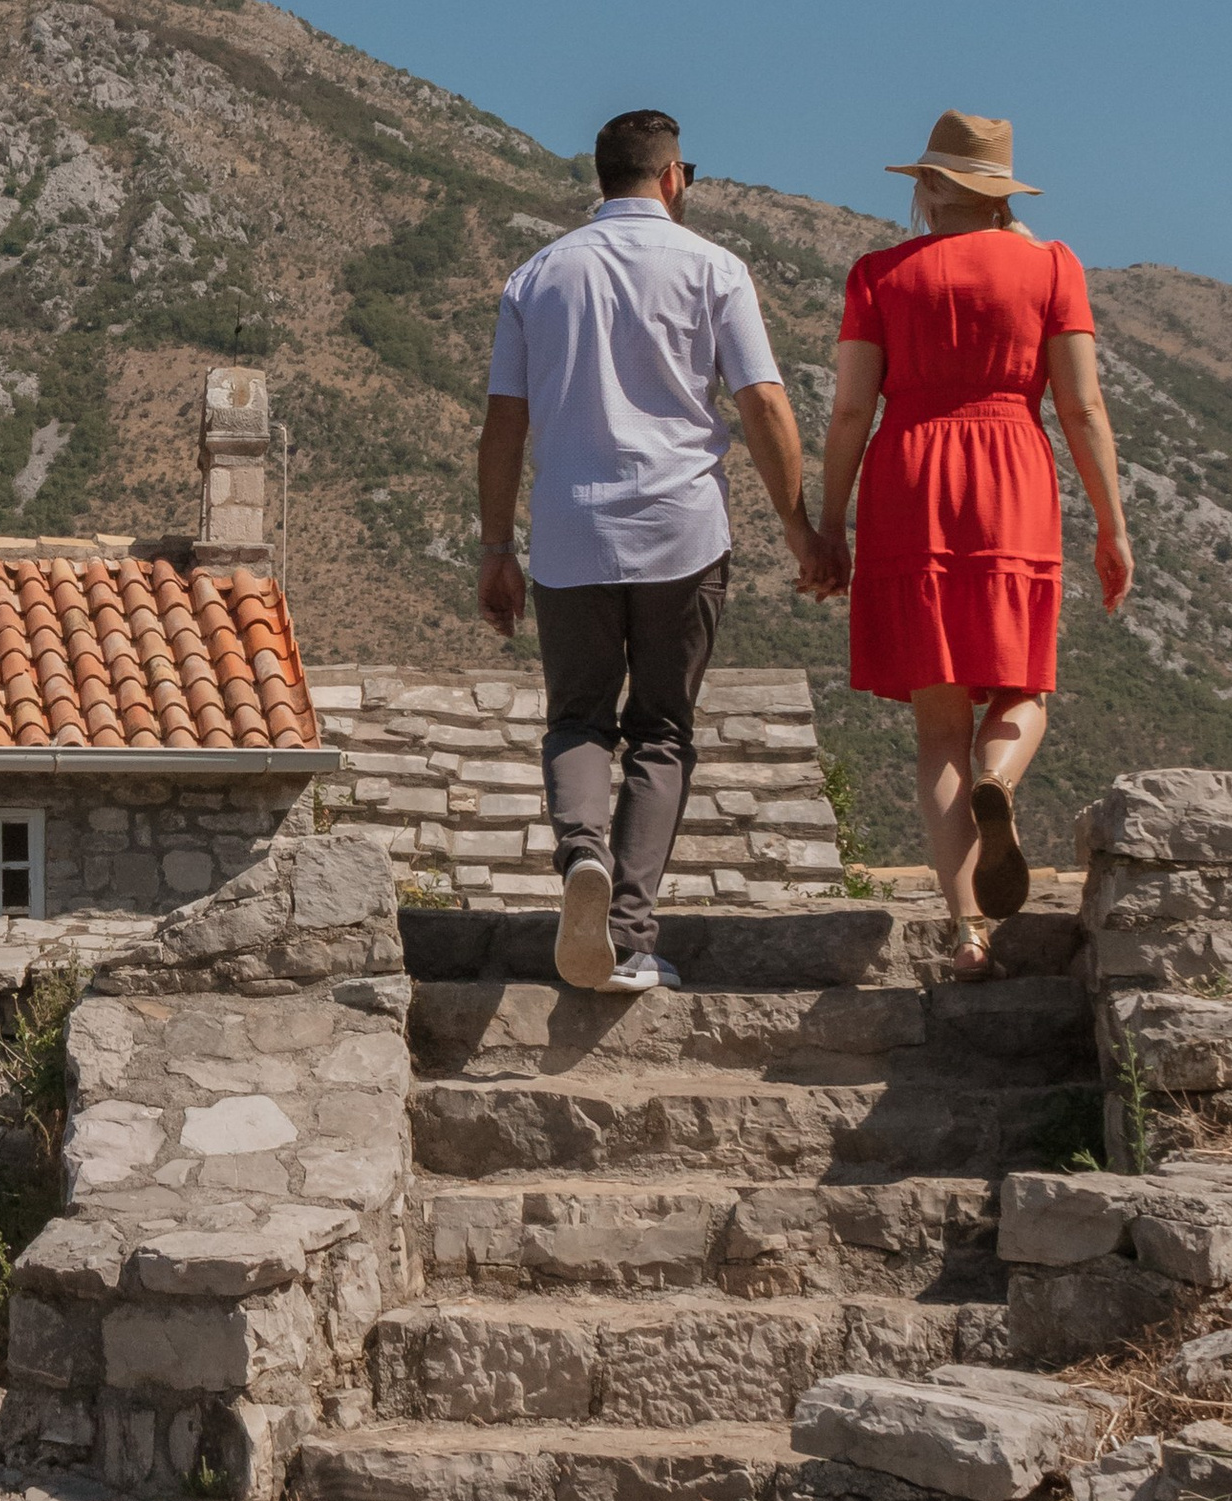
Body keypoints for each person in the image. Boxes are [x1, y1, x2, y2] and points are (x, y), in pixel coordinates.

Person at [478, 108, 837, 990]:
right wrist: (804, 534)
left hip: (569, 538)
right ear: (674, 176)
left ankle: (581, 857)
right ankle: (631, 936)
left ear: (600, 179)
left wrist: (495, 547)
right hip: (683, 535)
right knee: (663, 732)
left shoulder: (536, 278)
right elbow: (763, 404)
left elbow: (503, 427)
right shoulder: (715, 269)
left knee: (577, 719)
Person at [810, 111, 1133, 978]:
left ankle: (968, 933)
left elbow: (849, 410)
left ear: (927, 187)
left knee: (934, 730)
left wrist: (829, 522)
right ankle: (1002, 769)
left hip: (909, 479)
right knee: (1023, 683)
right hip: (1011, 477)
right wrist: (1111, 519)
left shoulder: (878, 274)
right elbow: (1083, 407)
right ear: (1000, 193)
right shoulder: (1053, 266)